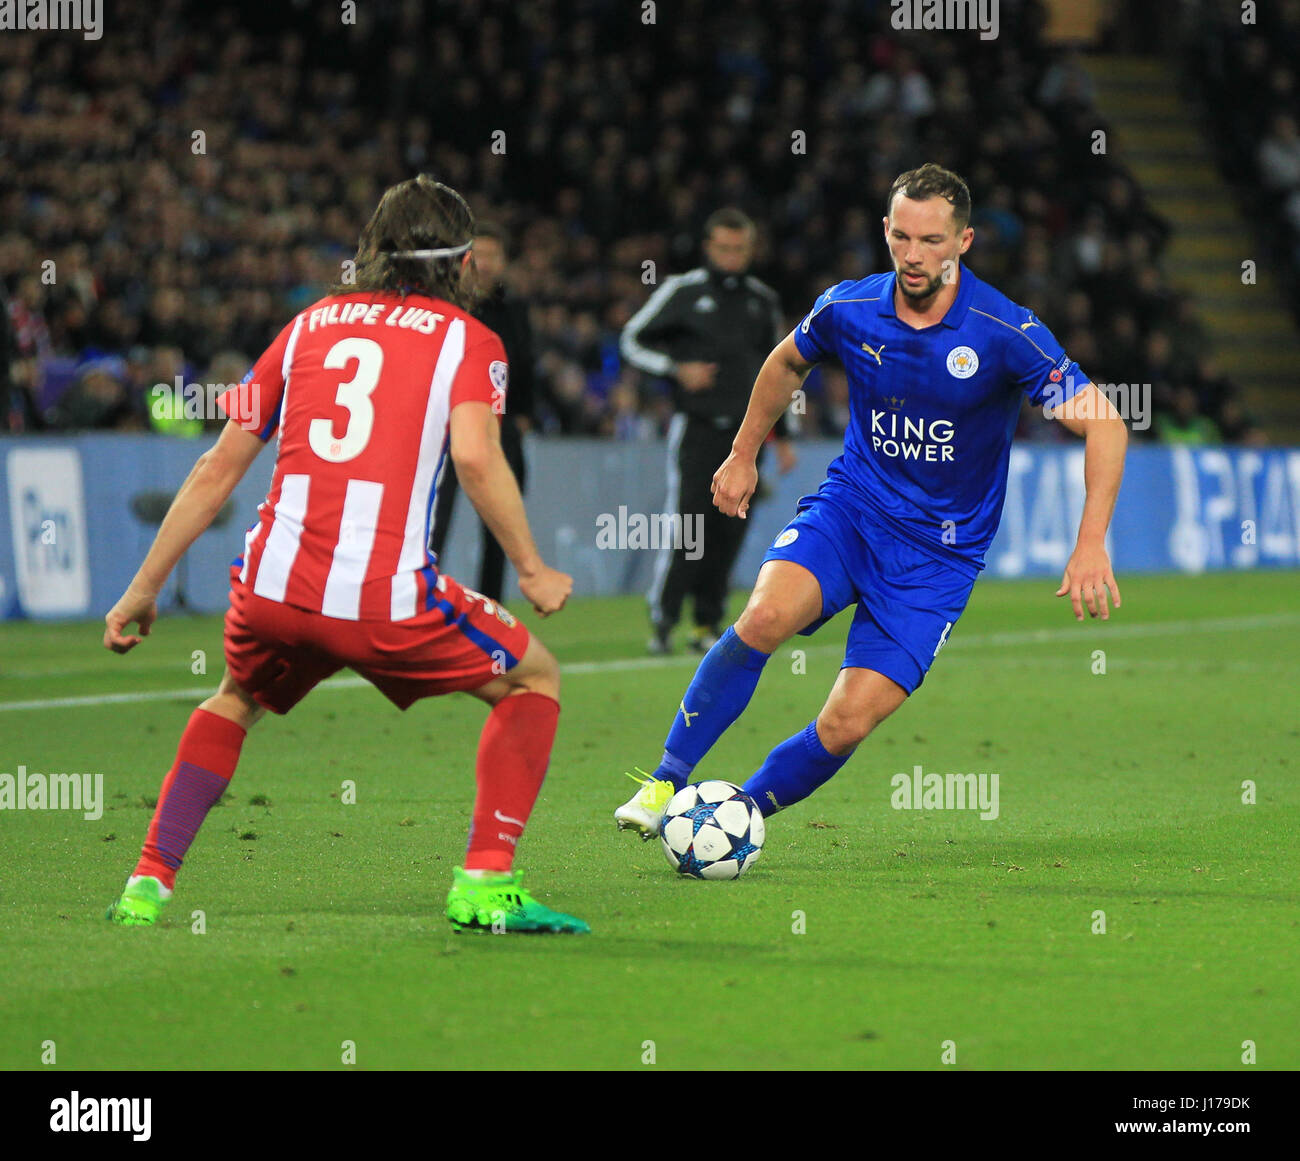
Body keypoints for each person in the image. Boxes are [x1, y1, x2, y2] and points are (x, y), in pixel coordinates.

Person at [103, 176, 588, 934]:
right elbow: (478, 459)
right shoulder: (470, 340)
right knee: (534, 678)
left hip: (273, 590)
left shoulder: (307, 326)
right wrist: (529, 566)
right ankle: (486, 881)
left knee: (235, 697)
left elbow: (214, 470)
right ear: (461, 263)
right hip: (381, 600)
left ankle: (148, 882)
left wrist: (141, 588)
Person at [616, 163, 1127, 837]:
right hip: (851, 512)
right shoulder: (849, 308)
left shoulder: (1003, 331)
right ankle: (665, 781)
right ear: (886, 230)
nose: (914, 256)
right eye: (903, 237)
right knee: (765, 617)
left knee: (845, 721)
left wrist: (1091, 542)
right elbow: (784, 363)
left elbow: (1106, 423)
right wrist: (743, 452)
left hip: (937, 559)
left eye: (933, 241)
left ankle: (738, 816)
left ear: (965, 241)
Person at [620, 208, 797, 655]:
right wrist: (674, 369)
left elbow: (782, 368)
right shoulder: (683, 291)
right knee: (688, 527)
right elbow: (631, 339)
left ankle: (707, 622)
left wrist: (785, 435)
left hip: (745, 438)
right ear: (708, 248)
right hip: (697, 430)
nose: (732, 256)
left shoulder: (762, 300)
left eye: (740, 248)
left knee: (730, 530)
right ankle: (664, 619)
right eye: (724, 248)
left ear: (750, 250)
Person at [428, 222, 536, 602]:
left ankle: (492, 606)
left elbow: (525, 364)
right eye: (480, 255)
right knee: (432, 518)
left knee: (500, 520)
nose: (486, 264)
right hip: (445, 423)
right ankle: (420, 599)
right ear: (464, 259)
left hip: (500, 424)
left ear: (504, 261)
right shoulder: (443, 305)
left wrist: (524, 414)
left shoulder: (515, 309)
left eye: (494, 255)